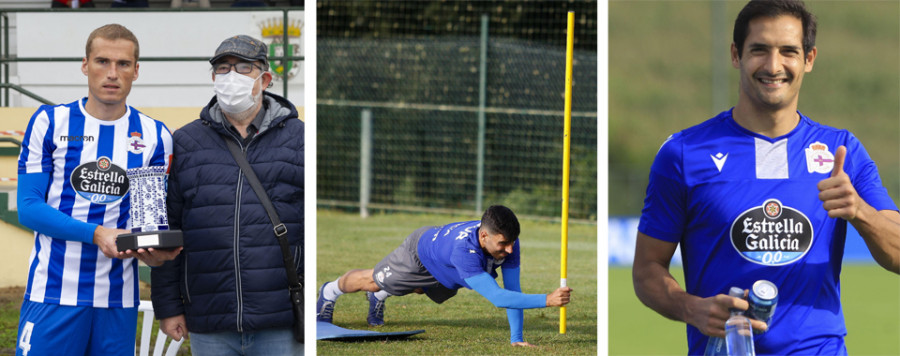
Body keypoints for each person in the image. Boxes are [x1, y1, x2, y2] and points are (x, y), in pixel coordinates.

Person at [632, 0, 900, 355]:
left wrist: (861, 212)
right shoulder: (683, 153)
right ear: (735, 55)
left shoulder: (842, 152)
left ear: (809, 58)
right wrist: (690, 307)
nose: (774, 66)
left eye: (788, 51)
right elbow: (647, 269)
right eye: (759, 50)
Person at [15, 24, 181, 355]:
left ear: (136, 71)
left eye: (122, 64)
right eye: (102, 61)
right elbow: (29, 206)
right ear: (85, 65)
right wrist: (96, 234)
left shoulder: (154, 135)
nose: (112, 73)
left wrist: (158, 254)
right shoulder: (50, 122)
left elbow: (148, 222)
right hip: (53, 293)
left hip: (117, 301)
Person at [150, 35, 304, 356]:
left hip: (281, 321)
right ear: (212, 79)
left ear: (265, 78)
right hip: (209, 321)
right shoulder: (185, 142)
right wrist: (167, 306)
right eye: (223, 68)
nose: (231, 76)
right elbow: (168, 228)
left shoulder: (300, 140)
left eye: (244, 68)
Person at [316, 205, 573, 346]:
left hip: (445, 266)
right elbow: (498, 297)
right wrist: (548, 300)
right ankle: (330, 292)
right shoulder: (466, 252)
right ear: (484, 236)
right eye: (503, 243)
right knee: (371, 281)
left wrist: (517, 339)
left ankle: (383, 294)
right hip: (419, 254)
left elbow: (513, 290)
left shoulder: (508, 244)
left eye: (513, 243)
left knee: (418, 289)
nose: (509, 250)